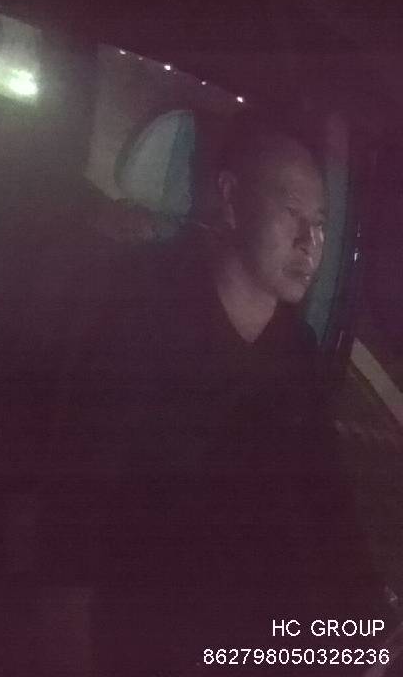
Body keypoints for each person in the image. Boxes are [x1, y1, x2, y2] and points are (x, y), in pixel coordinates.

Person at [60, 109, 382, 675]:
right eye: (292, 213)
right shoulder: (144, 320)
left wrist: (368, 630)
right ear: (231, 200)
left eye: (321, 223)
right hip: (146, 627)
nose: (310, 242)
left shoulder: (295, 353)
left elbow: (325, 500)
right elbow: (76, 506)